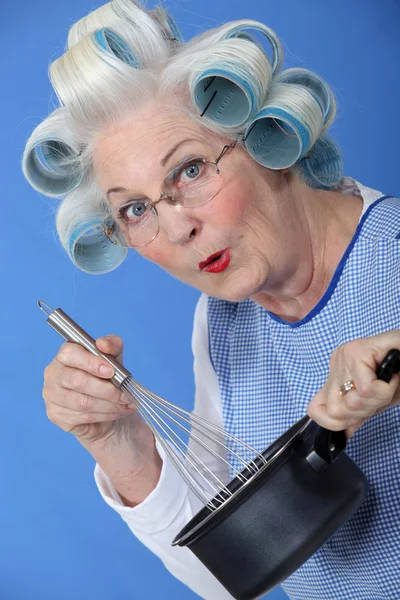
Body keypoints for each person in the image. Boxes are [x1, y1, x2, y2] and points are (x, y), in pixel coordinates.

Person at [22, 1, 400, 599]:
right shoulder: (222, 326)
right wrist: (124, 453)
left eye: (191, 170)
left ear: (263, 135)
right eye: (136, 209)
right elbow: (240, 565)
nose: (176, 230)